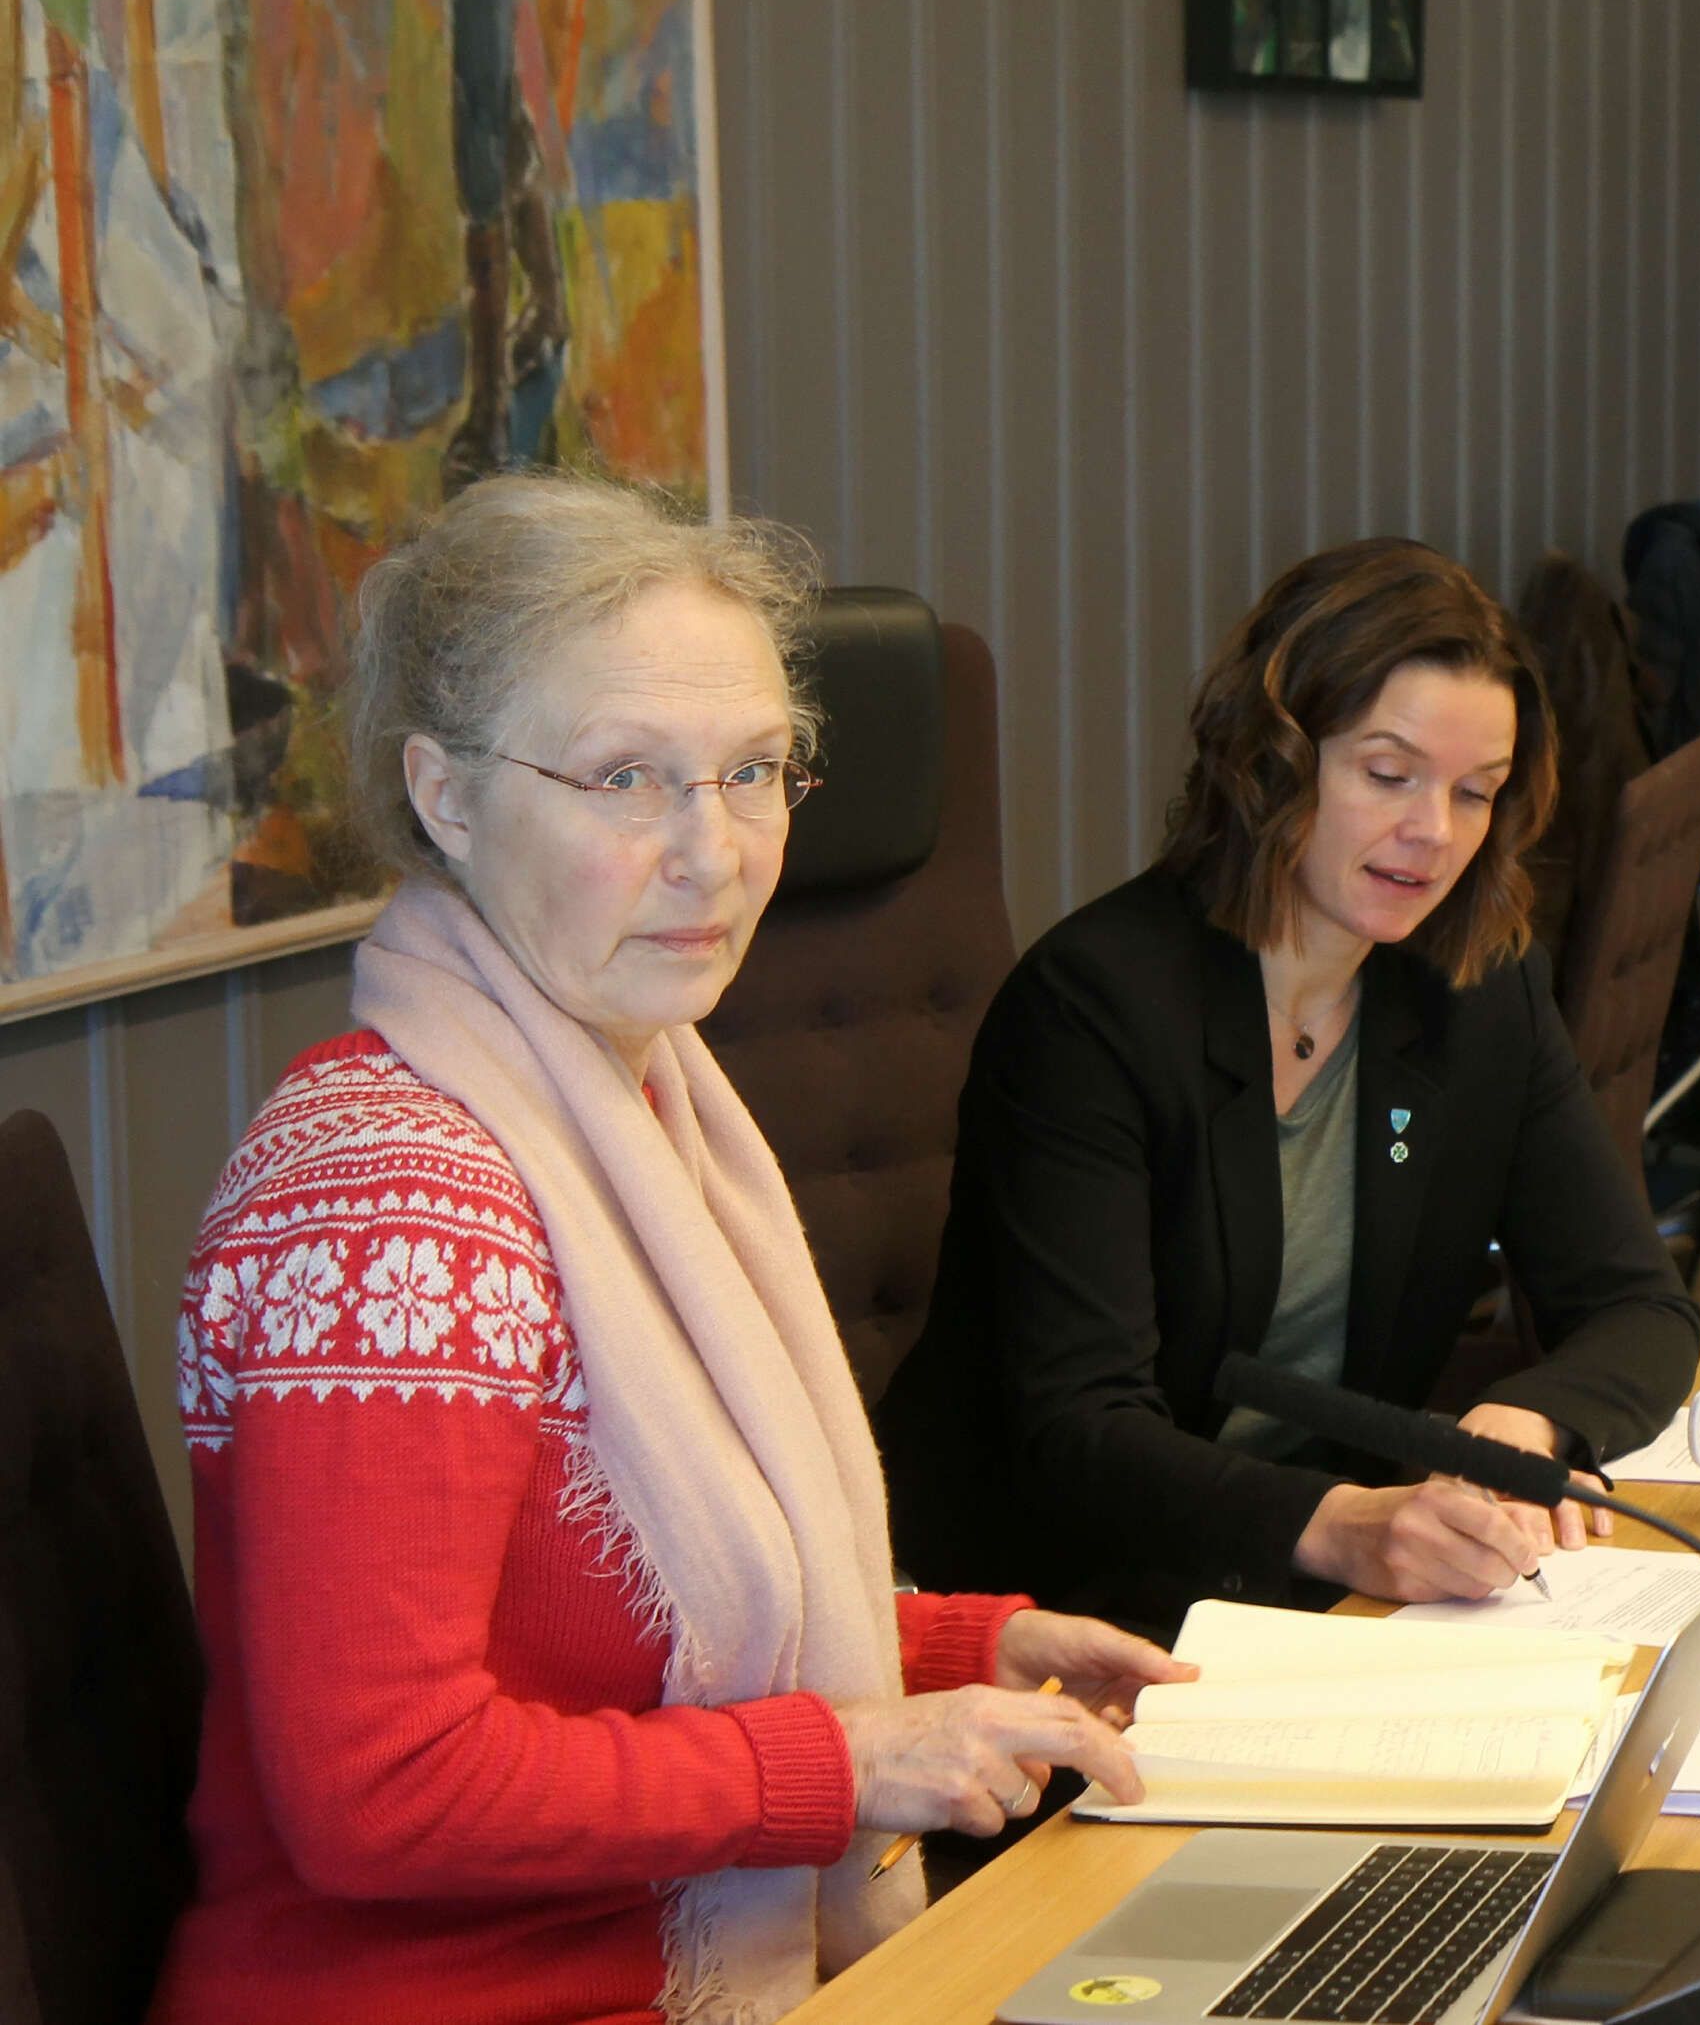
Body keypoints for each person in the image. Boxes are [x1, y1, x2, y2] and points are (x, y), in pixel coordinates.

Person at [153, 478, 1182, 2025]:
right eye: (626, 776)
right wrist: (844, 1758)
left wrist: (971, 1643)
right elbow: (382, 1787)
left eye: (754, 769)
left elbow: (665, 1625)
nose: (716, 850)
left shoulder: (640, 1105)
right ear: (445, 794)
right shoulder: (389, 1198)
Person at [884, 539, 1700, 1638]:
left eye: (1475, 792)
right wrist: (1344, 1525)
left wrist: (1521, 1428)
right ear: (1273, 761)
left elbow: (1641, 1307)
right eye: (1388, 774)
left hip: (1311, 1596)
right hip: (1058, 1605)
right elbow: (1082, 1428)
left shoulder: (1476, 991)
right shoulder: (1095, 1008)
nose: (1434, 832)